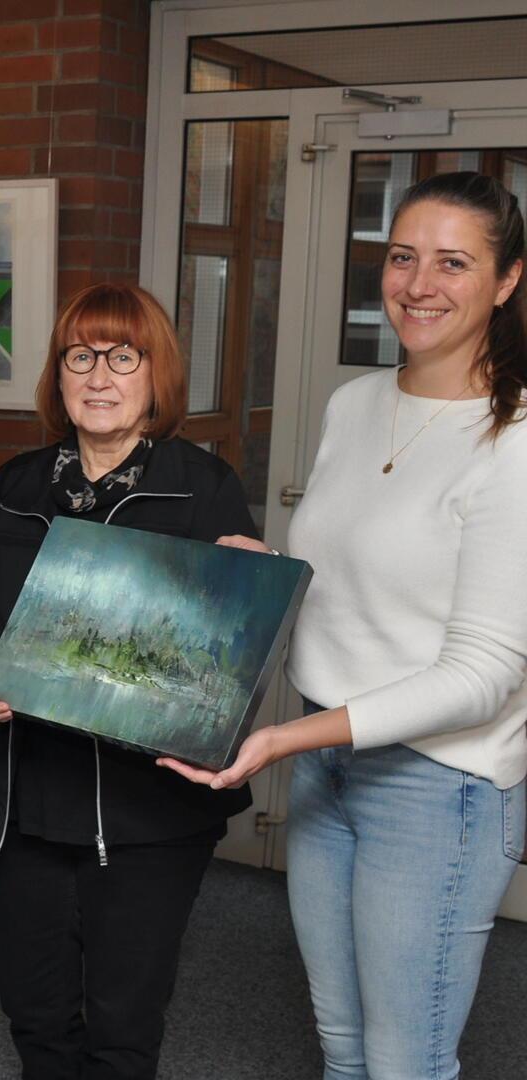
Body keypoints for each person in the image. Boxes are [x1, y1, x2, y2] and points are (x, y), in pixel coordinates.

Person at [165, 170, 527, 1079]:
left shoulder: (516, 439)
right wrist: (270, 579)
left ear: (508, 280)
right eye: (403, 257)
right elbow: (355, 583)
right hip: (326, 764)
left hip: (439, 785)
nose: (419, 284)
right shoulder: (354, 403)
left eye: (454, 262)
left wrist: (289, 735)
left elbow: (484, 674)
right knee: (345, 1049)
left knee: (407, 1064)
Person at [0, 283, 256, 1079]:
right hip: (25, 800)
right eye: (80, 356)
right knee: (35, 1018)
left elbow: (231, 663)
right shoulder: (17, 487)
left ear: (158, 376)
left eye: (124, 356)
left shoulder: (202, 488)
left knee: (122, 1029)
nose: (99, 375)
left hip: (148, 810)